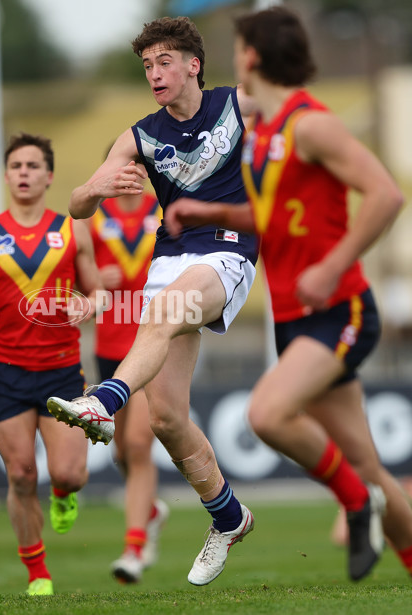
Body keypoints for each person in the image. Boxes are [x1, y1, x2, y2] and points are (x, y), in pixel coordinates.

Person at [164, 6, 412, 581]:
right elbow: (273, 215)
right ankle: (381, 517)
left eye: (238, 47)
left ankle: (354, 503)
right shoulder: (269, 132)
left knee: (268, 414)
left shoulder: (311, 123)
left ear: (254, 55)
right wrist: (212, 210)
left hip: (338, 310)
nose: (234, 58)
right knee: (369, 466)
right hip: (296, 316)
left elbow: (385, 196)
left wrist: (334, 266)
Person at [47, 16, 259, 587]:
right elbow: (75, 204)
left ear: (193, 64)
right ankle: (229, 516)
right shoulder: (140, 135)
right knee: (166, 417)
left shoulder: (239, 104)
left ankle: (103, 401)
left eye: (165, 62)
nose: (155, 74)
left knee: (162, 317)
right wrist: (96, 189)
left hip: (227, 252)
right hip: (170, 259)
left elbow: (298, 130)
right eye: (147, 66)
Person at [0, 132, 102, 596]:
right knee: (20, 474)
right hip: (9, 371)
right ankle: (38, 573)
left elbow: (99, 293)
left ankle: (64, 495)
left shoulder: (74, 231)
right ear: (7, 174)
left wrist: (90, 306)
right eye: (16, 166)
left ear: (49, 176)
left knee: (69, 474)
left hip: (63, 369)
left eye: (33, 166)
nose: (25, 173)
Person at [89, 168, 168, 583]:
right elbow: (69, 279)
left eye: (139, 167)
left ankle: (134, 548)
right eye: (123, 168)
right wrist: (94, 283)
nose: (131, 175)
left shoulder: (165, 212)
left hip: (150, 346)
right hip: (108, 350)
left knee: (138, 444)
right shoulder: (93, 220)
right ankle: (151, 511)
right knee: (122, 453)